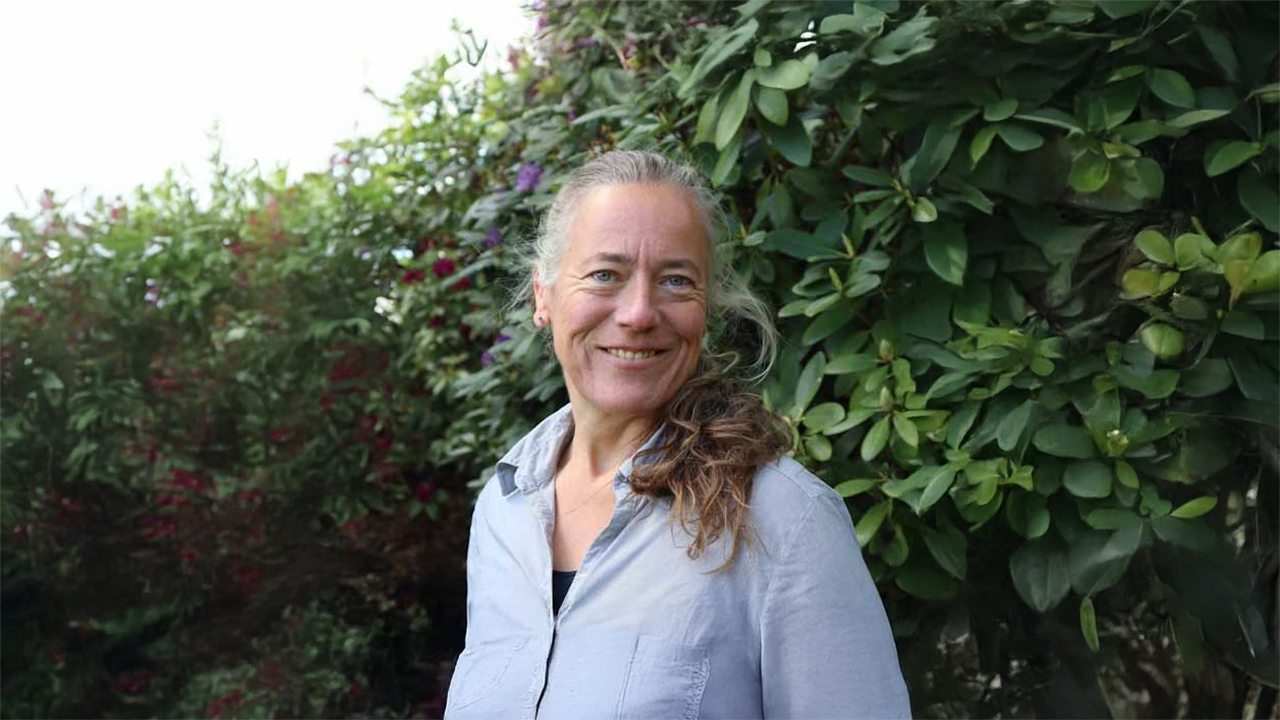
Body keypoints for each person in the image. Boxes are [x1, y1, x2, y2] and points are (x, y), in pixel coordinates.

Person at [444, 150, 910, 719]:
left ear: (705, 308)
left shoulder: (783, 521)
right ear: (544, 295)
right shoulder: (505, 509)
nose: (639, 313)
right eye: (605, 275)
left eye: (675, 281)